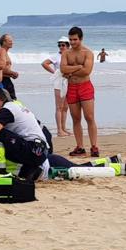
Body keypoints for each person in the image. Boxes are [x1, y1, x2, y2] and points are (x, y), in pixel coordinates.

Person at [61, 26, 99, 157]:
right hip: (72, 87)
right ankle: (80, 146)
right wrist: (77, 67)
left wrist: (70, 70)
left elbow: (86, 71)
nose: (72, 42)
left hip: (85, 86)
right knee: (76, 118)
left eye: (75, 39)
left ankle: (94, 146)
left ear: (81, 38)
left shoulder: (87, 53)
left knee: (89, 117)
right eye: (70, 40)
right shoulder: (66, 53)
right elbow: (62, 69)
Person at [42, 36, 71, 137]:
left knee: (65, 107)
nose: (61, 47)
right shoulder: (56, 56)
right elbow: (44, 63)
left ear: (68, 46)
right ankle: (59, 130)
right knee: (59, 106)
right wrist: (55, 72)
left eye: (63, 45)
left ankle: (63, 128)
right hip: (59, 81)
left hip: (69, 81)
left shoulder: (70, 55)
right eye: (59, 45)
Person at [0, 34, 20, 100]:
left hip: (6, 79)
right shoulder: (1, 52)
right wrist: (13, 73)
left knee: (12, 102)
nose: (12, 42)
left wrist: (11, 74)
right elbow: (0, 69)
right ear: (4, 42)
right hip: (3, 81)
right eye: (10, 41)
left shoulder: (5, 52)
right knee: (10, 102)